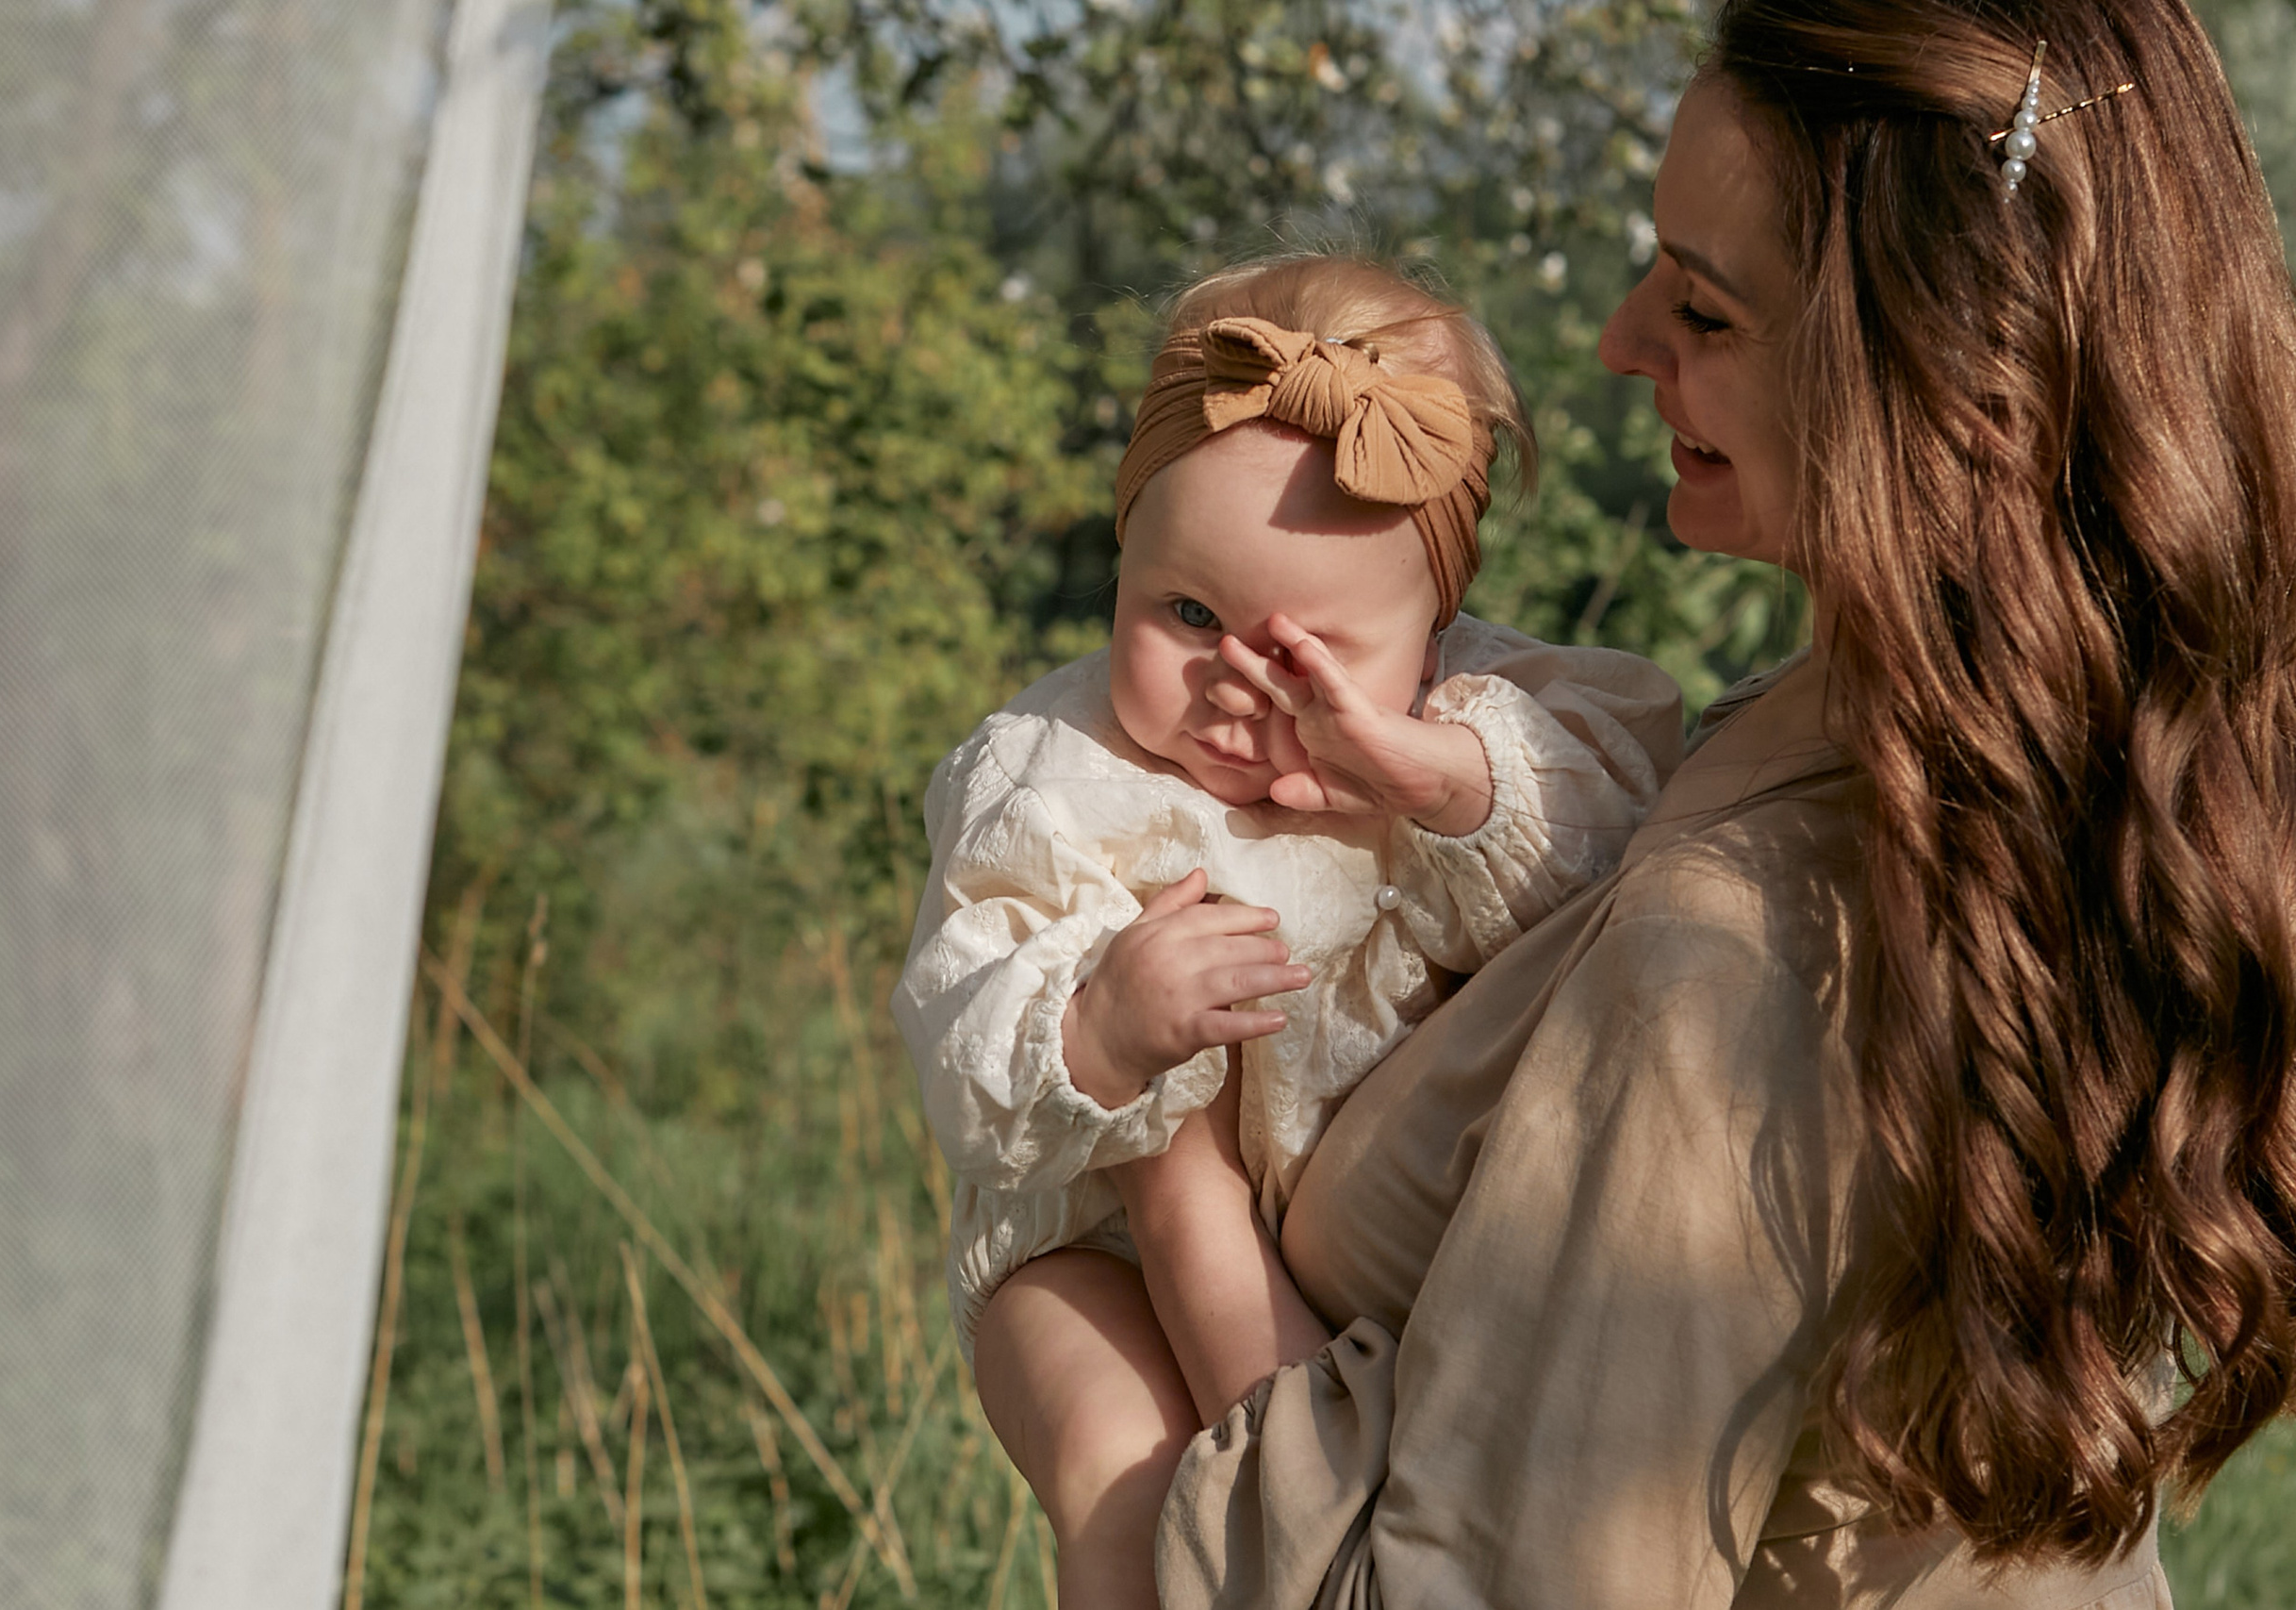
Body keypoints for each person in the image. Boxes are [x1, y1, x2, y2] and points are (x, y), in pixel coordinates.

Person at [1118, 2, 2296, 1605]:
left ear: (1954, 377)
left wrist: (1150, 1223)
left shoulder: (1744, 953)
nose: (1617, 339)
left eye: (1708, 308)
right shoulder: (1991, 792)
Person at [894, 256, 1685, 1608]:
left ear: (1435, 633)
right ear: (1124, 554)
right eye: (1185, 614)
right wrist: (1096, 1027)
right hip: (1095, 1255)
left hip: (1373, 1269)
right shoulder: (1051, 775)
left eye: (1314, 653)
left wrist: (1437, 779)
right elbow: (960, 1039)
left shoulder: (1474, 716)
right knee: (1126, 1479)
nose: (1237, 689)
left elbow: (1617, 836)